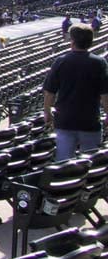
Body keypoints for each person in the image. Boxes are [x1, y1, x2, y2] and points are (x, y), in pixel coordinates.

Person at [43, 24, 108, 161]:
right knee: (90, 162)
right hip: (90, 120)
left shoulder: (60, 61)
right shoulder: (99, 63)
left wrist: (47, 112)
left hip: (65, 120)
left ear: (72, 41)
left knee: (64, 162)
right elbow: (105, 94)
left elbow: (50, 92)